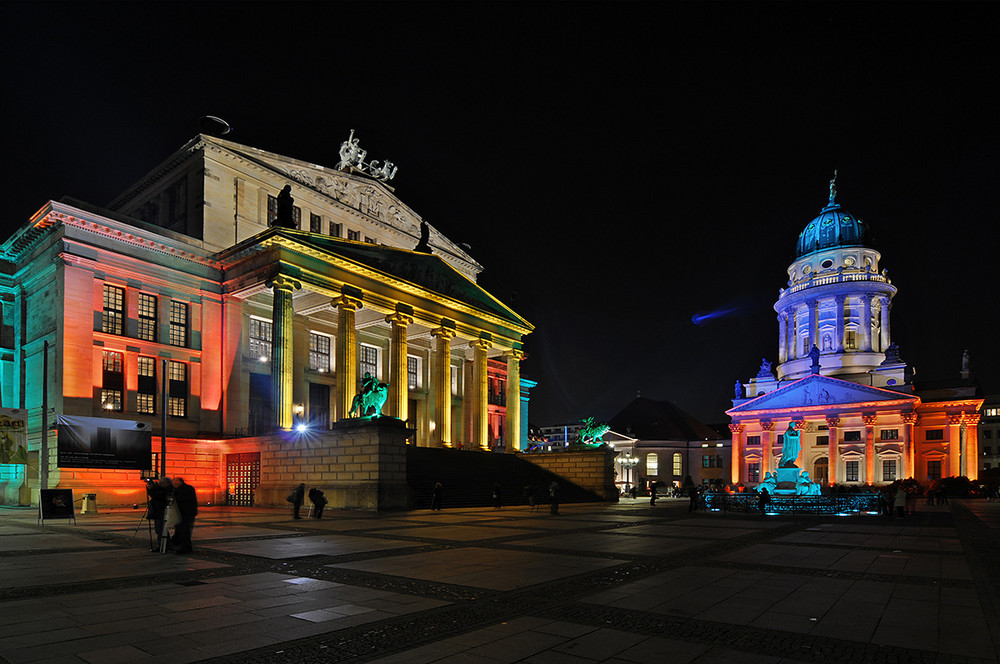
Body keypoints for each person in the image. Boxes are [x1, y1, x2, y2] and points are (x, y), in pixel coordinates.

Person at [170, 477, 198, 554]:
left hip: (186, 513)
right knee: (181, 531)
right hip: (184, 513)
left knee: (184, 531)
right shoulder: (186, 488)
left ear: (179, 482)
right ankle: (182, 546)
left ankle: (185, 548)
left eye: (174, 483)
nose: (173, 484)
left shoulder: (185, 489)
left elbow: (182, 499)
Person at [146, 476, 173, 552]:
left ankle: (165, 546)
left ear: (167, 483)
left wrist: (151, 489)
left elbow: (156, 497)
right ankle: (163, 545)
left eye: (162, 482)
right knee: (159, 530)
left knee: (161, 530)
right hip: (158, 512)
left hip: (162, 512)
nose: (160, 483)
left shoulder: (167, 490)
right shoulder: (161, 489)